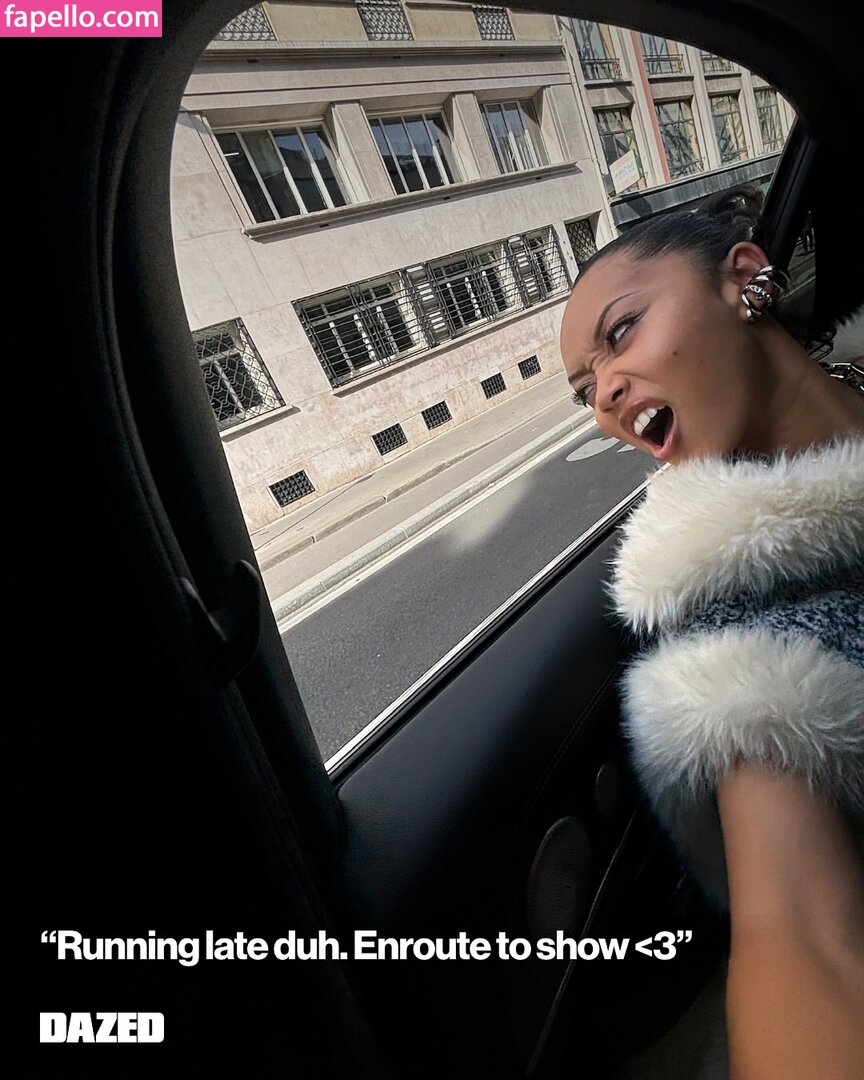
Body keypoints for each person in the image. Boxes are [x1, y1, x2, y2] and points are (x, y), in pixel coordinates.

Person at [558, 200, 864, 1079]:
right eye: (585, 390)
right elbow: (800, 939)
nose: (604, 396)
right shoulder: (735, 639)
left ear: (744, 280)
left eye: (621, 332)